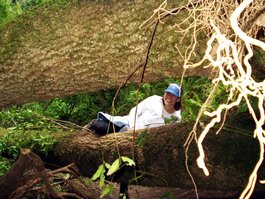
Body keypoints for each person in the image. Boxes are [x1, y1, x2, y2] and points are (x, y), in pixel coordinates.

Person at [84, 83, 183, 135]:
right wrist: (132, 128)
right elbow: (134, 110)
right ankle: (92, 124)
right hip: (129, 124)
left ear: (178, 99)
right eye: (167, 93)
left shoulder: (176, 118)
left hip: (141, 138)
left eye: (173, 95)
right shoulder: (154, 100)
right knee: (99, 125)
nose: (168, 97)